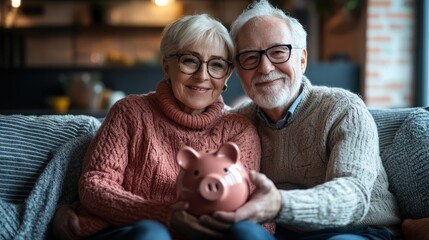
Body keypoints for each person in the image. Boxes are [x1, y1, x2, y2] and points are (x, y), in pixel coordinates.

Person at [52, 13, 271, 240]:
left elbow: (250, 202)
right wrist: (162, 215)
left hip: (214, 233)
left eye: (216, 65)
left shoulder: (239, 130)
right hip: (132, 229)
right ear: (167, 65)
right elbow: (95, 184)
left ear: (227, 75)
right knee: (152, 234)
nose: (202, 76)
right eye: (189, 60)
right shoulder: (130, 112)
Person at [202, 1, 402, 239]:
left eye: (278, 52)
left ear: (302, 59)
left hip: (358, 229)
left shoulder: (344, 108)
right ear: (238, 70)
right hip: (281, 232)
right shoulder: (238, 121)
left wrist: (279, 204)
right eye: (249, 56)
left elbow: (352, 194)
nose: (265, 68)